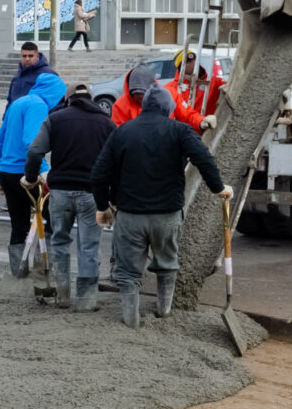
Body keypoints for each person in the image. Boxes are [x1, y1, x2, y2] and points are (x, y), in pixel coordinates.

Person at [90, 85, 231, 328]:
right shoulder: (180, 130)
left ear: (144, 106)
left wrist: (103, 207)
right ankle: (163, 312)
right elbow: (203, 158)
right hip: (167, 215)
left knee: (129, 272)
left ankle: (131, 320)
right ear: (168, 108)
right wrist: (219, 188)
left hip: (130, 215)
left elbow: (98, 175)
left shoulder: (122, 132)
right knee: (167, 265)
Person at [24, 81, 116, 311]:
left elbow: (35, 151)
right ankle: (86, 300)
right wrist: (112, 196)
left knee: (59, 242)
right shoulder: (107, 123)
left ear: (68, 100)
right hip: (92, 194)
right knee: (89, 246)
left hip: (60, 193)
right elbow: (116, 161)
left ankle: (62, 295)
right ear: (91, 100)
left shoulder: (56, 119)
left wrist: (31, 177)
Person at [0, 69, 65, 276]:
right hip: (26, 173)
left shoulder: (18, 102)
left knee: (19, 224)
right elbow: (31, 144)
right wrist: (44, 171)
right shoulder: (38, 105)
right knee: (54, 218)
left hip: (7, 171)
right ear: (54, 93)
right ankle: (44, 268)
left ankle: (18, 272)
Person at [109, 61, 210, 131]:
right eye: (136, 94)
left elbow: (187, 115)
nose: (140, 98)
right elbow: (119, 134)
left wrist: (201, 121)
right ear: (129, 91)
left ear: (152, 89)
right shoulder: (120, 106)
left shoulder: (169, 95)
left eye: (143, 94)